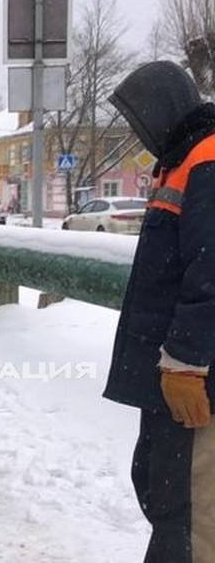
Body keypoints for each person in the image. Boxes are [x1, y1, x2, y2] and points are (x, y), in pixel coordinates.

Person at [104, 61, 215, 562]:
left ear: (162, 109)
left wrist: (187, 362)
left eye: (138, 119)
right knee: (160, 487)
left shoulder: (207, 159)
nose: (137, 131)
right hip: (168, 372)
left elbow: (211, 271)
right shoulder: (181, 158)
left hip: (192, 376)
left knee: (187, 512)